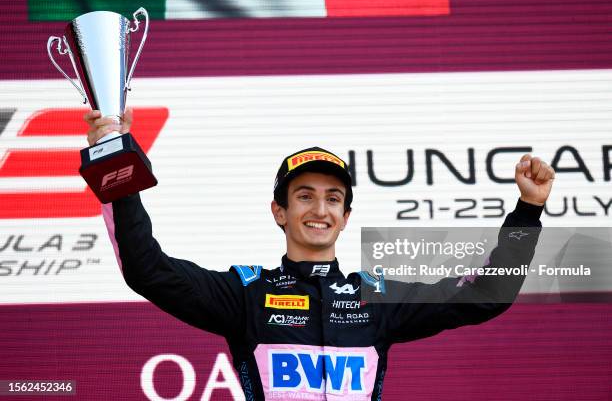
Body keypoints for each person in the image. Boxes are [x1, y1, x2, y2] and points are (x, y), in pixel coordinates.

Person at [85, 109, 555, 400]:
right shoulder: (245, 294)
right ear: (280, 212)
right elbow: (147, 269)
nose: (320, 209)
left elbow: (488, 295)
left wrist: (528, 210)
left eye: (333, 199)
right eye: (305, 196)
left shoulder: (377, 298)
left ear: (346, 217)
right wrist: (114, 161)